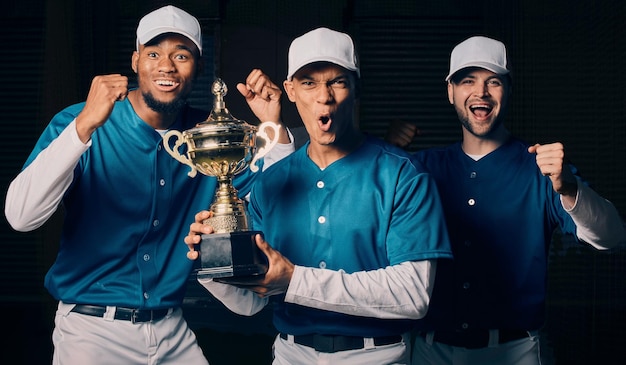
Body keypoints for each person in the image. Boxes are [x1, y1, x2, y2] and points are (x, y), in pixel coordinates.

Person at [4, 5, 292, 365]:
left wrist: (273, 126)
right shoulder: (80, 122)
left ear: (199, 66)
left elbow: (282, 199)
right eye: (154, 53)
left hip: (171, 328)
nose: (166, 66)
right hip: (92, 332)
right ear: (136, 60)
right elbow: (20, 216)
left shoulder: (208, 137)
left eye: (181, 55)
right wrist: (83, 127)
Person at [183, 27, 453, 365]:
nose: (323, 97)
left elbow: (413, 295)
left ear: (356, 90)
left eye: (337, 81)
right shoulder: (272, 182)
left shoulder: (403, 174)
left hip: (377, 357)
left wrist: (296, 280)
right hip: (291, 354)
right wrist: (212, 263)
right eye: (309, 82)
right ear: (291, 91)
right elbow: (250, 303)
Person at [387, 36, 626, 364]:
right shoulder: (421, 168)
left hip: (515, 351)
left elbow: (612, 237)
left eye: (493, 81)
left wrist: (568, 188)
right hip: (432, 351)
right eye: (467, 80)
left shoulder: (541, 168)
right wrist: (387, 155)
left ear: (508, 90)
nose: (480, 92)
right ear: (450, 92)